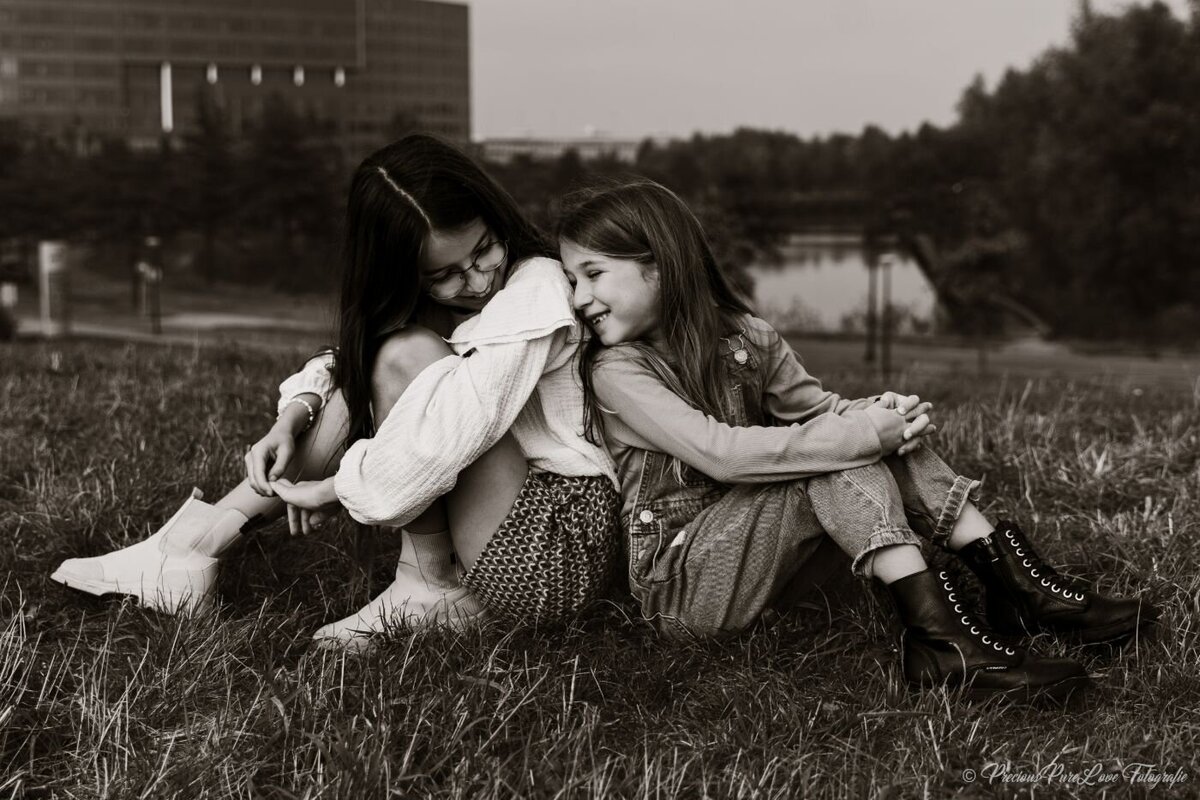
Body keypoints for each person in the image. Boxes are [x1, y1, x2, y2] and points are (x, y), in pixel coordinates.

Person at [555, 179, 1158, 701]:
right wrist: (860, 432)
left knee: (852, 438)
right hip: (686, 583)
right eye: (573, 280)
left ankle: (1021, 592)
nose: (580, 299)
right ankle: (944, 641)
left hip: (771, 564)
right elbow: (724, 454)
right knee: (834, 453)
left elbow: (820, 411)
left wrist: (881, 412)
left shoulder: (746, 337)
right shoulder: (619, 373)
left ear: (658, 263)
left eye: (593, 274)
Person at [52, 134, 621, 649]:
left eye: (483, 250)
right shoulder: (457, 305)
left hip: (558, 548)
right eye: (445, 274)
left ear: (496, 219)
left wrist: (338, 488)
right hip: (517, 528)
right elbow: (351, 364)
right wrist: (294, 415)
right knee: (387, 355)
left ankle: (425, 584)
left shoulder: (536, 287)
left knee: (404, 358)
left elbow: (456, 427)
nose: (476, 280)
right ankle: (191, 548)